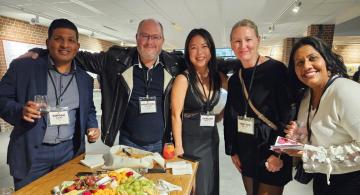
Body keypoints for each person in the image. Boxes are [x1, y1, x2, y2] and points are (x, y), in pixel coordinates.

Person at [0, 19, 100, 190]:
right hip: (32, 151)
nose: (64, 45)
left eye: (70, 40)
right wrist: (19, 111)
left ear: (77, 46)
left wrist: (92, 126)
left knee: (69, 191)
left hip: (70, 151)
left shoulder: (85, 79)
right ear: (48, 43)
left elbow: (89, 109)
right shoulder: (23, 67)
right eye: (58, 38)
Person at [223, 19, 294, 195]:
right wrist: (232, 150)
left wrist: (279, 153)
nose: (243, 45)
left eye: (248, 40)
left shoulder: (277, 70)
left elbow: (290, 115)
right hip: (246, 149)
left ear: (258, 40)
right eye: (237, 41)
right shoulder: (234, 80)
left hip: (272, 148)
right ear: (231, 45)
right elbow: (230, 117)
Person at [284, 36, 360, 195]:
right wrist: (298, 137)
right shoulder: (307, 95)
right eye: (299, 63)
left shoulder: (346, 91)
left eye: (312, 58)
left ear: (326, 59)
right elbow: (316, 133)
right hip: (323, 177)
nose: (307, 66)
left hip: (351, 181)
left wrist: (307, 153)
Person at [171, 28, 228, 195]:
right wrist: (179, 147)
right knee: (196, 188)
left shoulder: (219, 78)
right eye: (193, 47)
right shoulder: (183, 79)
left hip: (211, 140)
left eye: (204, 46)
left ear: (211, 49)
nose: (199, 52)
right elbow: (175, 114)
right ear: (188, 52)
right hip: (190, 143)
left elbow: (221, 109)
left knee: (210, 185)